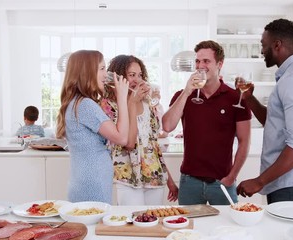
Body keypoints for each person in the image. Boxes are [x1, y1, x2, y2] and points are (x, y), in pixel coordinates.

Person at [236, 18, 293, 204]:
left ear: (277, 45)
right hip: (284, 184)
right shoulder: (292, 76)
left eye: (263, 45)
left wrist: (259, 181)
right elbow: (275, 123)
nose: (261, 51)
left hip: (291, 187)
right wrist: (250, 99)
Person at [162, 40, 252, 205]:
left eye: (206, 61)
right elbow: (167, 126)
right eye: (197, 61)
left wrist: (232, 176)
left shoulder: (236, 98)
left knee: (228, 229)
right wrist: (187, 91)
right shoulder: (183, 95)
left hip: (223, 182)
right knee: (189, 229)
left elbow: (244, 141)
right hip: (189, 183)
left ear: (220, 64)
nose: (200, 65)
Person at [100, 54, 178, 205]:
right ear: (119, 77)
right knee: (131, 223)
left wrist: (169, 179)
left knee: (152, 224)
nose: (137, 80)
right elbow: (128, 143)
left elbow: (152, 145)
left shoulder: (147, 102)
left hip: (154, 176)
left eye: (140, 75)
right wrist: (132, 102)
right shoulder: (108, 105)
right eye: (131, 75)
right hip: (128, 176)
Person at [56, 50, 130, 203]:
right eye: (102, 69)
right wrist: (122, 98)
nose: (106, 74)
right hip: (93, 184)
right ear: (87, 72)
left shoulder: (75, 103)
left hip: (83, 181)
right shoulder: (86, 105)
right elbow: (122, 138)